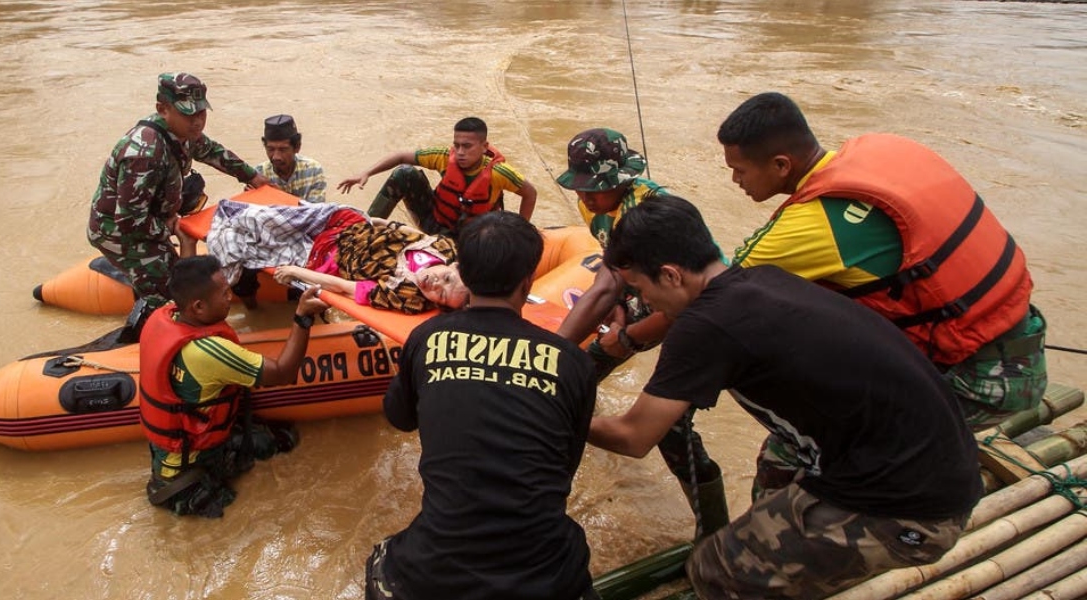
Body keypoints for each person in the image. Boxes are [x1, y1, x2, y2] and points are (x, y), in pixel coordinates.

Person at [590, 194, 981, 598]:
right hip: (942, 466)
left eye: (639, 289)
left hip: (912, 509)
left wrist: (552, 411)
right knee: (772, 478)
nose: (643, 304)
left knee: (714, 568)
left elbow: (633, 437)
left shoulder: (704, 325)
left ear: (671, 275)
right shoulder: (765, 279)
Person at [717, 91, 1047, 496]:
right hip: (1018, 337)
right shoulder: (882, 151)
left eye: (740, 170)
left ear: (781, 165)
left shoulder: (807, 227)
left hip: (979, 382)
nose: (736, 181)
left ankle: (771, 548)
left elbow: (718, 301)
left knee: (788, 451)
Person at [366, 211, 598, 600]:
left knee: (383, 561)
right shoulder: (572, 361)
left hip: (431, 573)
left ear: (464, 276)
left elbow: (399, 419)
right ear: (528, 282)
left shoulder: (426, 338)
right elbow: (564, 469)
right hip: (550, 576)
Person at [553, 128, 729, 540]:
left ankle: (714, 533)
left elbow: (687, 299)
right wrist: (614, 323)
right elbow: (613, 276)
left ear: (623, 179)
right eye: (581, 189)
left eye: (595, 189)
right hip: (646, 295)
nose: (586, 197)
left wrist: (630, 338)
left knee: (672, 430)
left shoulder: (657, 219)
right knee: (574, 378)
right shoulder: (596, 207)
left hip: (700, 312)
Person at [138, 255, 328, 518]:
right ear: (198, 307)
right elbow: (283, 372)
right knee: (282, 445)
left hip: (174, 454)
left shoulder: (165, 315)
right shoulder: (208, 351)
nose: (230, 296)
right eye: (224, 292)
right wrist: (302, 318)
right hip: (188, 480)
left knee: (273, 440)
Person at [87, 72, 271, 318]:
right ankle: (148, 331)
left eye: (201, 113)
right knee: (172, 296)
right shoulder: (145, 154)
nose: (197, 122)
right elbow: (129, 221)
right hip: (120, 231)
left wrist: (251, 177)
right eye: (188, 114)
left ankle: (144, 293)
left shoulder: (182, 134)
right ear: (163, 109)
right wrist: (171, 230)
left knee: (173, 274)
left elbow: (212, 151)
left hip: (149, 218)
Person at [195, 199, 469, 314]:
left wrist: (294, 271)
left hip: (324, 255)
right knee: (251, 217)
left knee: (241, 240)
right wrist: (378, 221)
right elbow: (415, 235)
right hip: (345, 222)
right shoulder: (446, 249)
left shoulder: (406, 296)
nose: (435, 285)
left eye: (442, 295)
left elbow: (341, 287)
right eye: (446, 279)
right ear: (453, 266)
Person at [336, 117, 538, 237]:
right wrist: (366, 173)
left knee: (499, 228)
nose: (460, 152)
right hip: (434, 223)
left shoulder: (499, 173)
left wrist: (520, 230)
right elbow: (400, 156)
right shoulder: (443, 157)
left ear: (484, 147)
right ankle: (364, 233)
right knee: (405, 173)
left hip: (471, 238)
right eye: (456, 145)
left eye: (467, 146)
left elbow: (530, 193)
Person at [254, 114, 327, 203]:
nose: (276, 156)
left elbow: (316, 212)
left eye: (283, 149)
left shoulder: (313, 170)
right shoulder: (258, 174)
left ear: (297, 147)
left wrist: (278, 195)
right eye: (270, 149)